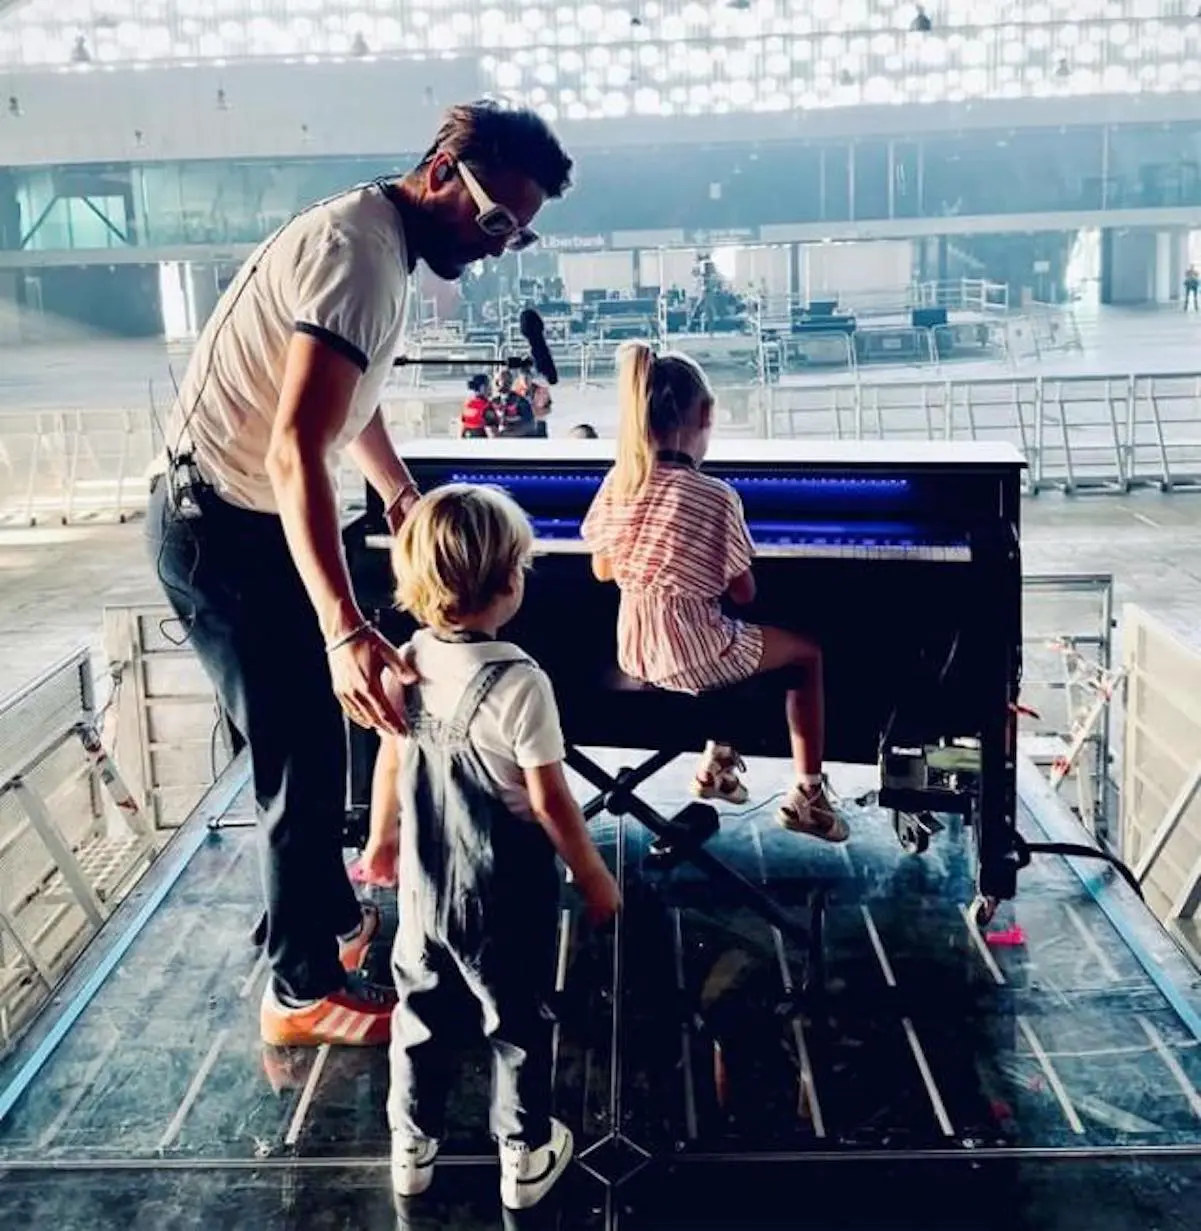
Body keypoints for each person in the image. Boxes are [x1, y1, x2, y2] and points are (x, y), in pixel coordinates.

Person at [146, 99, 574, 1048]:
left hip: (242, 517)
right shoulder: (365, 258)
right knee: (298, 757)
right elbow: (298, 447)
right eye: (496, 221)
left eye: (522, 232)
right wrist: (343, 626)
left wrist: (396, 491)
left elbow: (350, 397)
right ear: (437, 173)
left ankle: (328, 923)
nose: (504, 244)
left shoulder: (375, 234)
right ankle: (298, 993)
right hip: (223, 526)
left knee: (317, 741)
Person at [384, 484, 620, 1210]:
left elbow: (393, 756)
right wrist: (594, 875)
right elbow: (549, 800)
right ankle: (522, 1155)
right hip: (503, 894)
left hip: (422, 886)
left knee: (418, 1015)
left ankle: (412, 1147)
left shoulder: (410, 657)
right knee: (515, 1020)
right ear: (508, 582)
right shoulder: (521, 682)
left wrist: (379, 838)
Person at [580, 342, 844, 840]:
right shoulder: (717, 496)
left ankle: (717, 767)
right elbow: (743, 591)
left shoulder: (621, 480)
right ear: (706, 414)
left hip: (635, 651)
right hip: (692, 658)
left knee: (731, 637)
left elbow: (601, 569)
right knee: (804, 653)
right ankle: (808, 795)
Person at [458, 372, 498, 438]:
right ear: (482, 387)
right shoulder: (486, 406)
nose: (491, 389)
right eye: (489, 385)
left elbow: (462, 426)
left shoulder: (467, 403)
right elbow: (492, 432)